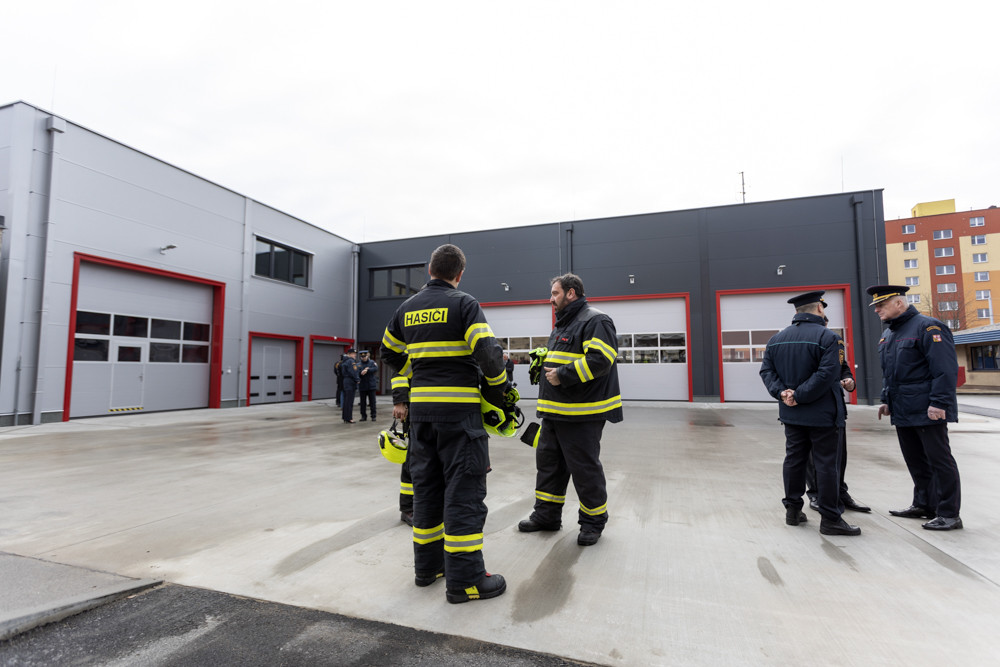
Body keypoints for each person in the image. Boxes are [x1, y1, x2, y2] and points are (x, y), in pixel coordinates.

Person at [380, 243, 509, 604]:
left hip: (422, 417)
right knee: (464, 495)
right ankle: (466, 581)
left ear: (430, 270)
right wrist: (498, 394)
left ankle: (428, 569)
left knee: (428, 492)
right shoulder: (464, 303)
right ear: (459, 274)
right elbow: (488, 354)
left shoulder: (406, 309)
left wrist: (419, 372)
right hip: (460, 418)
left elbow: (388, 352)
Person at [517, 273, 622, 547]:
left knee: (585, 471)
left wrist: (563, 374)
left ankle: (593, 523)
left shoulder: (595, 320)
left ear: (571, 293)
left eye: (555, 293)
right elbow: (568, 355)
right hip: (554, 413)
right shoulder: (563, 324)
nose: (551, 299)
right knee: (549, 467)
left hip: (581, 415)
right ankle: (547, 516)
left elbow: (602, 360)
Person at [759, 290, 860, 536]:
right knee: (826, 464)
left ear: (796, 312)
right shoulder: (829, 338)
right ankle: (830, 518)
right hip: (822, 415)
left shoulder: (776, 339)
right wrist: (800, 395)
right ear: (819, 309)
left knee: (794, 460)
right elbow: (826, 375)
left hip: (791, 414)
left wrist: (784, 393)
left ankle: (793, 511)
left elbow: (767, 372)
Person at [868, 284, 963, 531]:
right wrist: (886, 399)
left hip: (927, 408)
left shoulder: (928, 327)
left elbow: (944, 369)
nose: (877, 309)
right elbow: (890, 373)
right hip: (903, 408)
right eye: (875, 306)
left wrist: (939, 403)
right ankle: (924, 504)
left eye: (881, 304)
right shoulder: (888, 335)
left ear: (899, 303)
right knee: (916, 460)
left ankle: (949, 513)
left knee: (939, 461)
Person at [805, 316, 870, 514]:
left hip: (835, 408)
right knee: (813, 457)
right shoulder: (805, 343)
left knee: (839, 455)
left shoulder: (833, 341)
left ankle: (840, 492)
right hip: (811, 407)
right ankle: (816, 494)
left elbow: (843, 367)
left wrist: (848, 380)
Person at [391, 370, 414, 526]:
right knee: (412, 461)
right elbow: (399, 371)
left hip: (434, 410)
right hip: (415, 409)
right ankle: (407, 509)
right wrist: (400, 402)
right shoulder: (409, 345)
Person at [357, 350, 378, 422]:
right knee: (363, 403)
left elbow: (375, 369)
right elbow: (357, 372)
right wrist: (361, 372)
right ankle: (363, 416)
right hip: (363, 386)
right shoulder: (358, 364)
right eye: (362, 357)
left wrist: (367, 370)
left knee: (372, 402)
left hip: (371, 386)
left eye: (364, 356)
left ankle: (373, 416)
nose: (363, 358)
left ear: (367, 356)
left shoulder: (372, 362)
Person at [340, 348, 359, 424]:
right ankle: (349, 418)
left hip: (345, 381)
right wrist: (357, 379)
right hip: (350, 382)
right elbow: (353, 372)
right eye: (354, 354)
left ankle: (345, 417)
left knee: (346, 400)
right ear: (349, 354)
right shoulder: (351, 361)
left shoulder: (344, 361)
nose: (355, 355)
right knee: (349, 401)